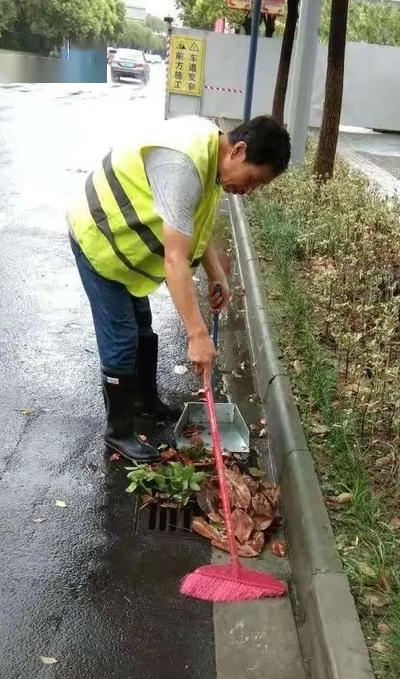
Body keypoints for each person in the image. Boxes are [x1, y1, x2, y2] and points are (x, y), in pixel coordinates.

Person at [67, 114, 291, 462]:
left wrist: (217, 273)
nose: (248, 191)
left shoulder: (213, 156)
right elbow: (175, 260)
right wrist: (197, 334)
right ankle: (119, 433)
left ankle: (145, 402)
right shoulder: (183, 165)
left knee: (143, 329)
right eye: (253, 180)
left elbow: (195, 227)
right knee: (122, 337)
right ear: (240, 150)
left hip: (127, 246)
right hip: (100, 237)